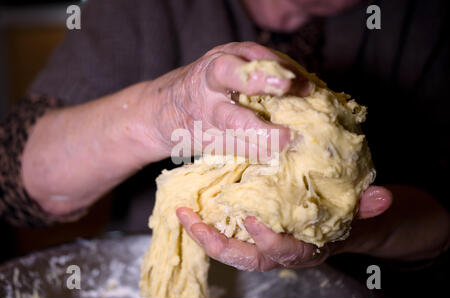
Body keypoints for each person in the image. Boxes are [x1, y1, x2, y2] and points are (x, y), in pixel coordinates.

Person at [0, 0, 448, 278]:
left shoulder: (418, 17)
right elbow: (16, 181)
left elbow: (442, 221)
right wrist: (163, 111)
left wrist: (346, 228)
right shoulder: (143, 7)